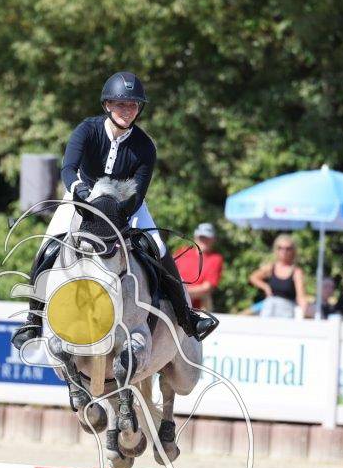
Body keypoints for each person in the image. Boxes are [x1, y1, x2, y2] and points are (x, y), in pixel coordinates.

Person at [12, 72, 218, 349]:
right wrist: (79, 190)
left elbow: (138, 192)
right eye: (121, 104)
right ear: (107, 105)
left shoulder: (145, 146)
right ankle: (33, 321)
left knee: (158, 247)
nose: (127, 110)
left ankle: (187, 317)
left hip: (125, 204)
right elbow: (68, 168)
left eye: (133, 105)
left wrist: (121, 211)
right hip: (83, 198)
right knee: (48, 246)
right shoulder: (87, 130)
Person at [248, 234, 310, 318]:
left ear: (293, 251)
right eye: (280, 248)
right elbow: (253, 277)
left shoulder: (296, 272)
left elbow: (301, 296)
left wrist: (304, 311)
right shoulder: (271, 267)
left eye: (288, 248)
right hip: (269, 308)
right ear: (276, 250)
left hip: (286, 310)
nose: (284, 251)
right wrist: (265, 287)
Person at [172, 223, 224, 312]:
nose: (204, 241)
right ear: (196, 237)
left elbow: (207, 288)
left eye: (208, 238)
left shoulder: (216, 259)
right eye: (202, 237)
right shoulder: (183, 251)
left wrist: (181, 292)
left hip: (196, 308)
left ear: (213, 240)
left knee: (206, 298)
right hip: (173, 298)